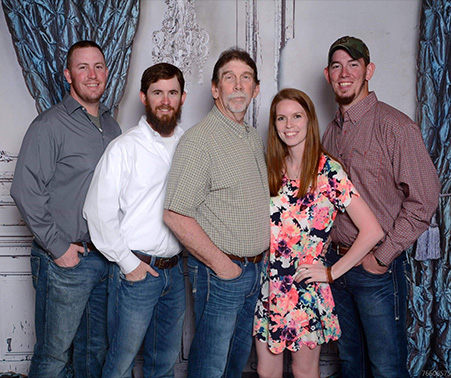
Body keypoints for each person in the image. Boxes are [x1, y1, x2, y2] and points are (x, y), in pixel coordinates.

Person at [322, 36, 441, 378]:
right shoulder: (330, 134)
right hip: (338, 265)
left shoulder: (396, 127)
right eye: (336, 66)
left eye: (353, 65)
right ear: (328, 75)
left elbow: (425, 198)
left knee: (386, 366)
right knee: (350, 363)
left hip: (376, 269)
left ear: (368, 70)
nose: (344, 74)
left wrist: (382, 256)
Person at [253, 88, 383, 378]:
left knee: (304, 372)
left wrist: (332, 272)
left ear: (309, 120)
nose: (289, 125)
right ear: (274, 125)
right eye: (281, 118)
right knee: (266, 371)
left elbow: (372, 230)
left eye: (296, 116)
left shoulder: (328, 171)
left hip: (306, 289)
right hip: (268, 287)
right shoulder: (270, 168)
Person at [10, 40, 121, 377]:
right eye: (83, 67)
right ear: (67, 75)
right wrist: (59, 249)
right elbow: (24, 190)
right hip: (65, 262)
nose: (92, 75)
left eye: (98, 66)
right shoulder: (50, 125)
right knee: (54, 357)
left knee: (93, 353)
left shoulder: (112, 126)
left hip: (103, 257)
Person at [163, 47, 270, 378]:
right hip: (221, 273)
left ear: (256, 88)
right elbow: (175, 214)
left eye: (245, 78)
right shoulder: (200, 141)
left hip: (252, 273)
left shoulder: (252, 137)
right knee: (210, 366)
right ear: (215, 89)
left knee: (234, 365)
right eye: (229, 78)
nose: (238, 86)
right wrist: (223, 267)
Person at [83, 63, 187, 378]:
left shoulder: (190, 146)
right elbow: (97, 211)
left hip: (176, 272)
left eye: (172, 92)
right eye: (158, 93)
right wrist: (129, 264)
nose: (165, 100)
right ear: (144, 97)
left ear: (182, 98)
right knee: (120, 364)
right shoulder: (124, 148)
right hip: (136, 273)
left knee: (164, 364)